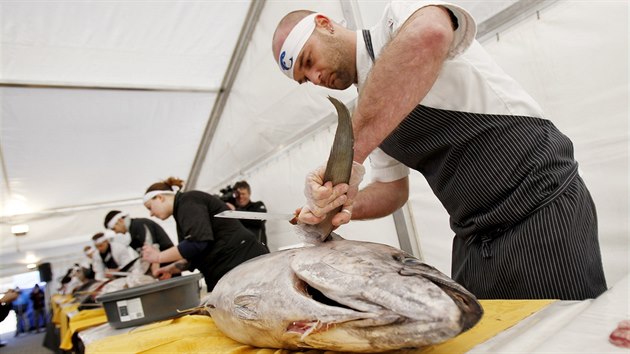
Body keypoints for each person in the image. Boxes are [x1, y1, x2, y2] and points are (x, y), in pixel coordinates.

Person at [272, 1, 607, 300]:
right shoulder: (371, 110)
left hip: (538, 204)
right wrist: (338, 207)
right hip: (474, 237)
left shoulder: (397, 19)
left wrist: (349, 155)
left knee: (563, 334)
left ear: (324, 23)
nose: (316, 77)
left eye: (309, 60)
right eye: (305, 79)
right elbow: (392, 191)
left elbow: (430, 33)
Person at [140, 177, 269, 291]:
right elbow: (194, 255)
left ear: (160, 198)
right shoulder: (181, 211)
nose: (151, 214)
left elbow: (197, 243)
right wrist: (170, 269)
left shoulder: (188, 200)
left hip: (245, 266)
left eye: (149, 207)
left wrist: (158, 257)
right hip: (230, 273)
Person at [104, 210, 175, 274]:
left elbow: (153, 248)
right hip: (162, 267)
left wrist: (156, 271)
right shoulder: (133, 230)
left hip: (168, 267)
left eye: (114, 229)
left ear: (120, 221)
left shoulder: (139, 224)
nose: (116, 232)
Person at [227, 181, 269, 248]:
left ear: (249, 193)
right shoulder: (230, 212)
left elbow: (259, 220)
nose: (240, 197)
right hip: (240, 252)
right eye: (238, 195)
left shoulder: (258, 205)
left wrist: (235, 212)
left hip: (258, 250)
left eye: (243, 194)